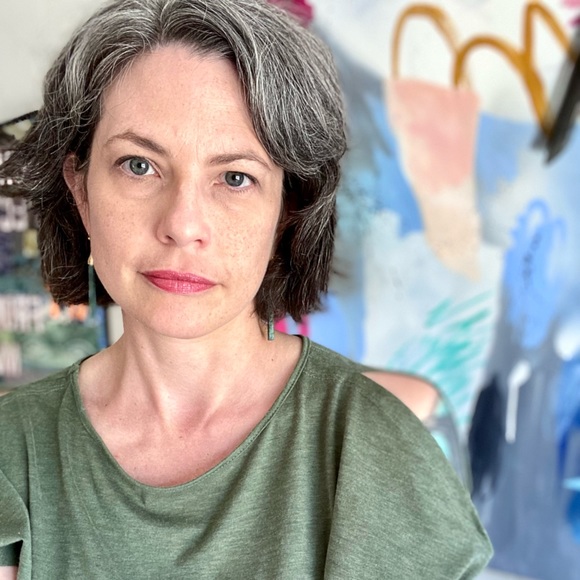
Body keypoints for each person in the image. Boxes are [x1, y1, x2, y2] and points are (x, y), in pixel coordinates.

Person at [0, 0, 492, 577]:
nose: (182, 224)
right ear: (81, 190)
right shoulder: (13, 451)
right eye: (138, 165)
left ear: (287, 210)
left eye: (235, 178)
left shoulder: (376, 448)